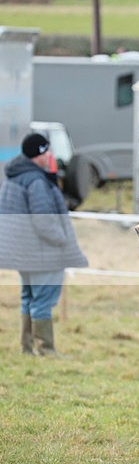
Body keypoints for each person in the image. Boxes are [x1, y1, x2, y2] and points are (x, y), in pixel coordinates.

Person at [0, 132, 88, 355]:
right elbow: (44, 219)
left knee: (28, 298)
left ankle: (27, 347)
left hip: (24, 252)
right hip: (42, 253)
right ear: (38, 154)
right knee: (43, 301)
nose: (50, 154)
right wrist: (61, 239)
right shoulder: (37, 181)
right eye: (46, 150)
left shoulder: (14, 176)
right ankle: (46, 350)